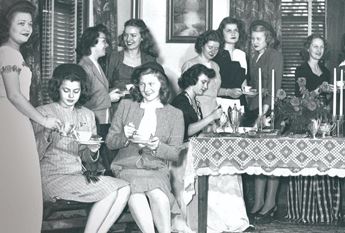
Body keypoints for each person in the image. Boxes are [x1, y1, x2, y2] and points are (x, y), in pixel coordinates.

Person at [33, 63, 130, 233]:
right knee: (111, 191)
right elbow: (32, 155)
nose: (71, 96)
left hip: (77, 175)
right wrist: (47, 131)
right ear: (57, 88)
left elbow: (86, 157)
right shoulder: (41, 113)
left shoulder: (88, 115)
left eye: (76, 91)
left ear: (82, 91)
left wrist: (92, 150)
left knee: (125, 188)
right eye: (66, 90)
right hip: (50, 177)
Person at [0, 2, 61, 232]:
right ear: (8, 26)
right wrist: (44, 120)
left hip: (13, 123)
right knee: (19, 184)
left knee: (15, 184)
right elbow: (15, 95)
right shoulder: (8, 53)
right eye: (21, 23)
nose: (27, 28)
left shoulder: (13, 53)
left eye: (30, 24)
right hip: (10, 124)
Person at [172, 64, 252, 233]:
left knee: (231, 170)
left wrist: (215, 124)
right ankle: (221, 219)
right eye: (203, 82)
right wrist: (210, 117)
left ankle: (232, 218)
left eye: (207, 83)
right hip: (183, 153)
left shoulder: (194, 100)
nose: (206, 86)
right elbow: (186, 131)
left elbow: (199, 129)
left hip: (194, 148)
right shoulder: (181, 101)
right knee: (224, 173)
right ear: (192, 81)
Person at [106, 62, 184, 233]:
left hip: (156, 168)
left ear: (161, 84)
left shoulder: (175, 114)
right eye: (142, 84)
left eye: (151, 84)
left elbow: (175, 154)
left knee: (160, 197)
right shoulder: (126, 105)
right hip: (127, 166)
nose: (146, 89)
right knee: (136, 195)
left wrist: (156, 146)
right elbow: (110, 142)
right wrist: (124, 137)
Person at [286, 34, 341, 224]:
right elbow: (299, 99)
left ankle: (324, 209)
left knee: (324, 160)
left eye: (321, 47)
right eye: (315, 46)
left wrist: (333, 92)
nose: (318, 50)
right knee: (307, 163)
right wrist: (320, 90)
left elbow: (327, 101)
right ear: (308, 48)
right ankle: (306, 210)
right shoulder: (300, 69)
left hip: (322, 119)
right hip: (304, 121)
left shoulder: (326, 71)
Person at [246, 20, 283, 224]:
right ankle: (259, 201)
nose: (254, 42)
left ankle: (270, 202)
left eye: (258, 38)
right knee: (258, 158)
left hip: (268, 112)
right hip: (254, 109)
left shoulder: (274, 55)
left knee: (271, 159)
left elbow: (275, 86)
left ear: (267, 39)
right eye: (252, 38)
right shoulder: (255, 56)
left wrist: (265, 112)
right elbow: (258, 84)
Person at [78, 24, 123, 173]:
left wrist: (113, 92)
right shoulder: (84, 67)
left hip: (104, 121)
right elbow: (82, 101)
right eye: (103, 41)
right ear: (92, 43)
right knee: (100, 165)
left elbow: (97, 91)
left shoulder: (96, 64)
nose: (107, 45)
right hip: (94, 123)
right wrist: (109, 98)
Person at [182, 30, 238, 121]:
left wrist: (229, 92)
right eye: (210, 47)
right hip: (198, 115)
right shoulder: (190, 65)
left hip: (215, 114)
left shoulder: (215, 66)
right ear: (202, 45)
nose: (213, 51)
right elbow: (186, 95)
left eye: (216, 48)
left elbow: (213, 90)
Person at [106, 19, 158, 97]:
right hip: (118, 105)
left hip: (142, 104)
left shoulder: (150, 60)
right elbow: (105, 86)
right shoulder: (114, 57)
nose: (128, 39)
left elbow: (155, 87)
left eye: (133, 35)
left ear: (142, 38)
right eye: (126, 35)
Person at [213, 17, 248, 109]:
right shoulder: (215, 55)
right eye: (229, 30)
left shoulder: (242, 54)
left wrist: (250, 92)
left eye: (236, 30)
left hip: (239, 104)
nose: (233, 33)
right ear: (221, 33)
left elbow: (243, 85)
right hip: (219, 103)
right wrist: (228, 92)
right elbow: (209, 88)